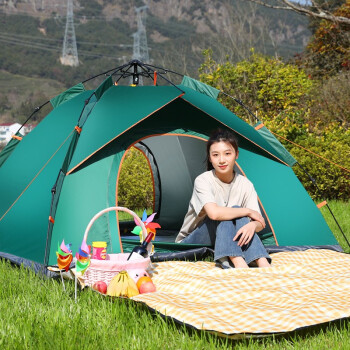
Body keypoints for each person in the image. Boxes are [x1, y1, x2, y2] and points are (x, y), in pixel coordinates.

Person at [176, 129, 271, 269]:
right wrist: (247, 211)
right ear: (210, 158)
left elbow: (260, 223)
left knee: (238, 213)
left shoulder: (245, 184)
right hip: (192, 242)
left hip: (227, 239)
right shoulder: (203, 180)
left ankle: (261, 261)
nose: (222, 160)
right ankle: (238, 261)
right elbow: (214, 214)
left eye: (227, 154)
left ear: (236, 155)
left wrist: (252, 225)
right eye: (215, 155)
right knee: (231, 213)